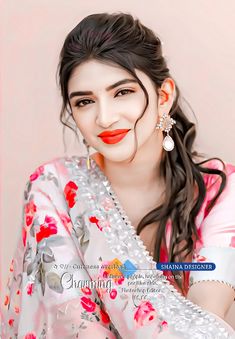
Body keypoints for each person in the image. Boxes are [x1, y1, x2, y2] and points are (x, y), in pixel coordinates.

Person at [1, 12, 235, 339]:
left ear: (163, 96)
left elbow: (206, 312)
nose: (105, 117)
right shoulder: (54, 188)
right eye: (85, 102)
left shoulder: (219, 191)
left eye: (122, 92)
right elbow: (74, 319)